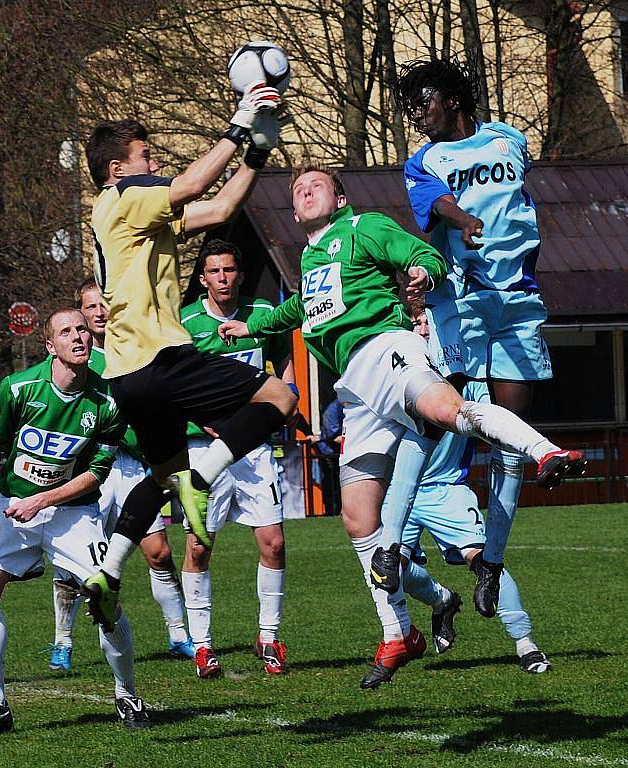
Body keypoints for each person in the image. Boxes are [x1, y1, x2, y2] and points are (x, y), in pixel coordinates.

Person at [219, 165, 584, 688]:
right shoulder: (311, 256)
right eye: (297, 190)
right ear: (295, 212)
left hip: (387, 351)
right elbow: (302, 308)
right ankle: (403, 631)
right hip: (356, 389)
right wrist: (248, 325)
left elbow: (423, 254)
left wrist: (423, 272)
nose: (303, 190)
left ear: (339, 198)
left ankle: (543, 451)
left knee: (446, 409)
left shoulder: (363, 227)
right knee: (357, 520)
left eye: (315, 183)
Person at [81, 87, 298, 634]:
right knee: (280, 396)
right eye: (145, 156)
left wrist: (259, 150)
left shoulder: (130, 217)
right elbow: (195, 183)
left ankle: (108, 571)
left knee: (161, 475)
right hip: (163, 357)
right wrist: (239, 122)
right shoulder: (125, 196)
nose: (153, 165)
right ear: (117, 168)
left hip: (128, 376)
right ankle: (207, 470)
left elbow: (222, 207)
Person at [396, 57, 563, 618]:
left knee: (513, 443)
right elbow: (434, 203)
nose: (417, 115)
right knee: (441, 412)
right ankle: (394, 543)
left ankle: (490, 561)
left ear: (451, 97)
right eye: (410, 108)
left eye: (423, 102)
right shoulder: (424, 161)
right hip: (461, 301)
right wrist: (462, 219)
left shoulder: (511, 140)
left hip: (518, 302)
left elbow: (522, 202)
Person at [0, 308, 149, 735]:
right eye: (66, 332)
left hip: (73, 513)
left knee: (106, 602)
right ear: (50, 346)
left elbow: (97, 472)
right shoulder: (18, 388)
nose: (78, 337)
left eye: (82, 329)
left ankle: (126, 693)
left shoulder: (106, 401)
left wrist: (43, 499)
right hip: (14, 506)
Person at [46, 280, 193, 673]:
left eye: (102, 304)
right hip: (89, 470)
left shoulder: (132, 349)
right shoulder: (74, 360)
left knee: (159, 551)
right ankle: (63, 642)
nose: (97, 313)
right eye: (89, 307)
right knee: (74, 566)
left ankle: (179, 633)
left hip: (129, 466)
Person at [393, 307, 551, 673]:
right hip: (399, 492)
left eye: (426, 321)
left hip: (443, 488)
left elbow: (500, 425)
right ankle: (442, 601)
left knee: (484, 563)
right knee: (389, 572)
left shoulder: (469, 383)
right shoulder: (396, 375)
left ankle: (525, 642)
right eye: (415, 322)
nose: (422, 329)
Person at [179, 239, 295, 677]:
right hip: (204, 449)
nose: (223, 279)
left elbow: (283, 364)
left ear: (239, 275)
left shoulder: (262, 314)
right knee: (198, 545)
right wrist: (199, 415)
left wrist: (288, 401)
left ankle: (268, 636)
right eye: (215, 272)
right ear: (204, 278)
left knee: (274, 542)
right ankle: (203, 646)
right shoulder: (186, 323)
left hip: (255, 447)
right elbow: (173, 383)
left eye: (230, 270)